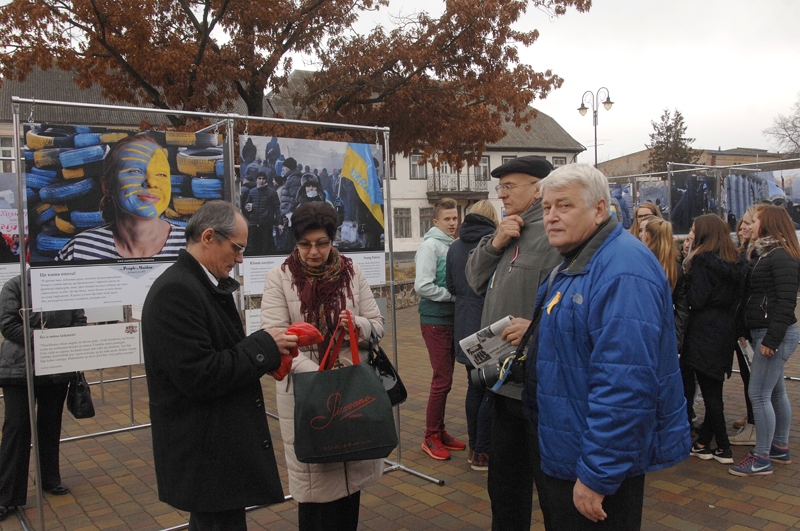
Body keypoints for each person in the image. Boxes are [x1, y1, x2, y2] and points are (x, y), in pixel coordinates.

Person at [529, 163, 690, 530]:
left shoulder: (622, 269)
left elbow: (626, 384)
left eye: (564, 206)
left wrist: (597, 475)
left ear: (599, 209)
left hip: (592, 465)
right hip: (567, 449)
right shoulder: (578, 258)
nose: (551, 217)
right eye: (546, 207)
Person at [141, 201, 298, 531]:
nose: (240, 258)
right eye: (237, 248)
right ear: (209, 237)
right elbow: (201, 375)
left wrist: (263, 346)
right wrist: (263, 348)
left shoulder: (198, 284)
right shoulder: (177, 290)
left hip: (214, 453)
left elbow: (219, 354)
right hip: (204, 454)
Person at [261, 201, 384, 531]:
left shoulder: (351, 271)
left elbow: (378, 324)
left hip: (350, 388)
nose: (313, 252)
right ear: (295, 242)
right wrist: (317, 376)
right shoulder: (279, 277)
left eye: (321, 243)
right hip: (306, 393)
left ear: (333, 239)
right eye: (305, 244)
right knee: (315, 493)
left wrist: (355, 323)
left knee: (349, 481)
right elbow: (274, 338)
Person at [464, 155, 560, 531]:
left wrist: (535, 331)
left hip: (538, 385)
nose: (501, 194)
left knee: (551, 485)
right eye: (499, 188)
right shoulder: (506, 230)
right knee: (504, 484)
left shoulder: (554, 233)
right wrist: (495, 242)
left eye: (510, 186)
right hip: (503, 381)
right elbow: (472, 278)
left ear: (538, 189)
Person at [0, 273, 86, 521]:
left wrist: (62, 342)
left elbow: (79, 320)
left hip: (55, 367)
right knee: (16, 428)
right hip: (19, 368)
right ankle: (7, 495)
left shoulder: (67, 287)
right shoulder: (14, 285)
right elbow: (8, 324)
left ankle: (50, 478)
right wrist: (46, 341)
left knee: (50, 424)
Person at [730, 205, 800, 476]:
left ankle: (761, 458)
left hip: (773, 333)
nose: (750, 224)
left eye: (755, 219)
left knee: (759, 394)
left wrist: (771, 339)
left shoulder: (779, 256)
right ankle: (779, 447)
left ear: (768, 223)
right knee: (775, 392)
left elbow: (785, 304)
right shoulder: (767, 254)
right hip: (768, 332)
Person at [682, 215, 748, 465]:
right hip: (725, 329)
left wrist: (687, 281)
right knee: (714, 386)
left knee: (710, 392)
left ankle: (723, 446)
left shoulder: (701, 262)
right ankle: (704, 442)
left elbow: (697, 299)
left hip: (703, 329)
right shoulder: (736, 262)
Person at [56, 134, 184, 261]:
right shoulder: (78, 250)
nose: (152, 182)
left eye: (161, 174)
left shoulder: (193, 247)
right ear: (107, 186)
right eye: (135, 171)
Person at [445, 200, 498, 471]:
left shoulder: (454, 246)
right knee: (491, 389)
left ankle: (474, 449)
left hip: (463, 322)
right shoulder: (496, 245)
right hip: (489, 323)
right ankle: (483, 451)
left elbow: (450, 284)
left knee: (473, 386)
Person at [415, 197, 466, 460]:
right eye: (447, 219)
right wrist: (451, 297)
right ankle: (430, 436)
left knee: (446, 380)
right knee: (441, 379)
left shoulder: (452, 245)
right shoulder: (431, 246)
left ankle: (440, 430)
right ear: (435, 221)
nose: (452, 223)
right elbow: (422, 285)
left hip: (449, 319)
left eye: (455, 218)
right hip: (434, 319)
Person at [729, 204, 758, 444]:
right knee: (750, 378)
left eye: (749, 223)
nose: (743, 228)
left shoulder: (760, 255)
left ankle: (756, 424)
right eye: (742, 223)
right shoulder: (745, 251)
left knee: (756, 380)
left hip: (752, 327)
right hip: (743, 325)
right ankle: (752, 417)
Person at [643, 217, 689, 354]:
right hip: (667, 332)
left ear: (647, 236)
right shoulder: (676, 269)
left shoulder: (644, 265)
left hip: (646, 332)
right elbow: (682, 309)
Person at [244, 172, 280, 256]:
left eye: (263, 179)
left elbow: (277, 208)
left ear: (266, 180)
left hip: (266, 223)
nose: (261, 181)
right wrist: (247, 207)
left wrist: (279, 222)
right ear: (256, 180)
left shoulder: (272, 192)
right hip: (254, 222)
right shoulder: (252, 192)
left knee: (266, 246)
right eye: (259, 178)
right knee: (254, 246)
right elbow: (246, 204)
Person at [278, 157, 302, 252]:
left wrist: (288, 211)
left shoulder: (294, 179)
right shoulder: (290, 178)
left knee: (290, 241)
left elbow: (294, 198)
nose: (283, 169)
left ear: (288, 167)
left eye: (284, 166)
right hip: (288, 214)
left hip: (291, 215)